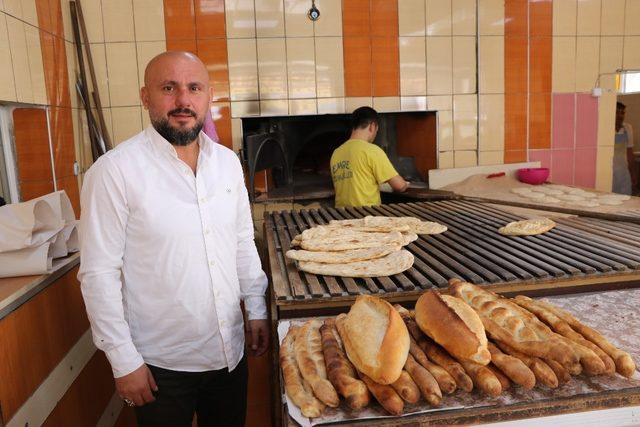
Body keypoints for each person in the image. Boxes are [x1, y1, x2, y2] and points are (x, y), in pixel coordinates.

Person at [78, 51, 269, 427]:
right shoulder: (114, 172)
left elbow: (242, 242)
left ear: (207, 96)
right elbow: (98, 273)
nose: (183, 100)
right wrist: (123, 359)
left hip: (229, 353)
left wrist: (257, 306)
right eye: (169, 88)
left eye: (193, 88)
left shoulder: (228, 163)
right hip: (160, 365)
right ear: (146, 96)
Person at [330, 107, 408, 207]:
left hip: (342, 216)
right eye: (376, 130)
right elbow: (399, 186)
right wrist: (405, 184)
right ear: (372, 126)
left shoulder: (336, 152)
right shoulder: (372, 150)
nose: (376, 134)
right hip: (366, 215)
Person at [613, 101, 637, 195]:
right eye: (617, 112)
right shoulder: (605, 128)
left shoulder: (628, 128)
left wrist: (633, 174)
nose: (620, 116)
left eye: (622, 113)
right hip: (608, 173)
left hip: (624, 173)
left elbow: (630, 153)